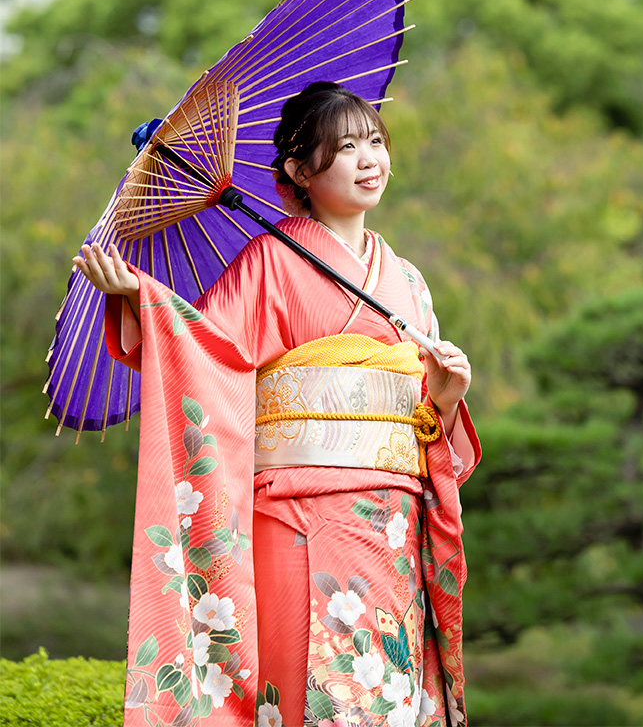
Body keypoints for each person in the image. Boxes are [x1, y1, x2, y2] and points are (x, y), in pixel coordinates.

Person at [74, 81, 480, 727]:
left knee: (389, 696)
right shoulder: (270, 260)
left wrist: (446, 400)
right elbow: (204, 349)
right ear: (298, 170)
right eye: (345, 148)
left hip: (393, 525)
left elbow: (428, 431)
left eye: (376, 141)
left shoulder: (408, 281)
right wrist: (141, 299)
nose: (370, 160)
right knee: (307, 692)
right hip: (296, 515)